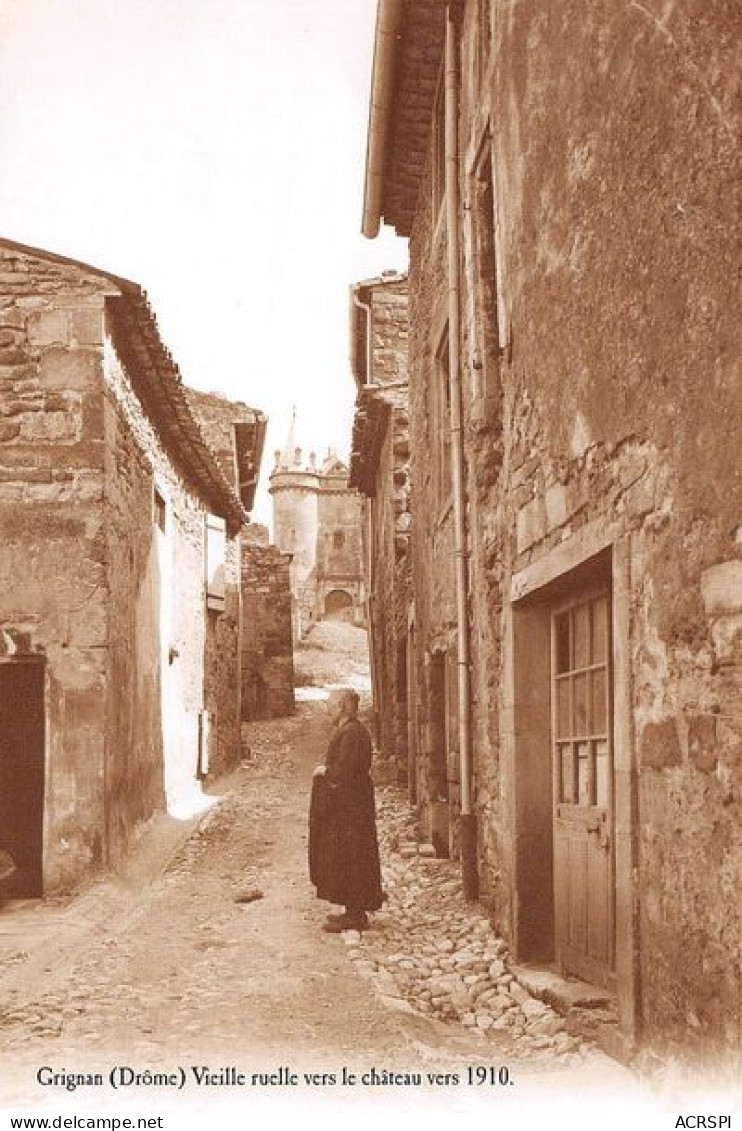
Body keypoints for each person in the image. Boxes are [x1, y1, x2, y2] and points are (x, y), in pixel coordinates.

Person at [308, 688, 383, 932]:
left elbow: (345, 771)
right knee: (346, 855)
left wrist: (324, 772)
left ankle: (356, 913)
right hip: (349, 805)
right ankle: (351, 908)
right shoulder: (349, 731)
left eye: (331, 705)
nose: (328, 709)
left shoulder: (352, 733)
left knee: (353, 855)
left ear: (341, 707)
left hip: (352, 807)